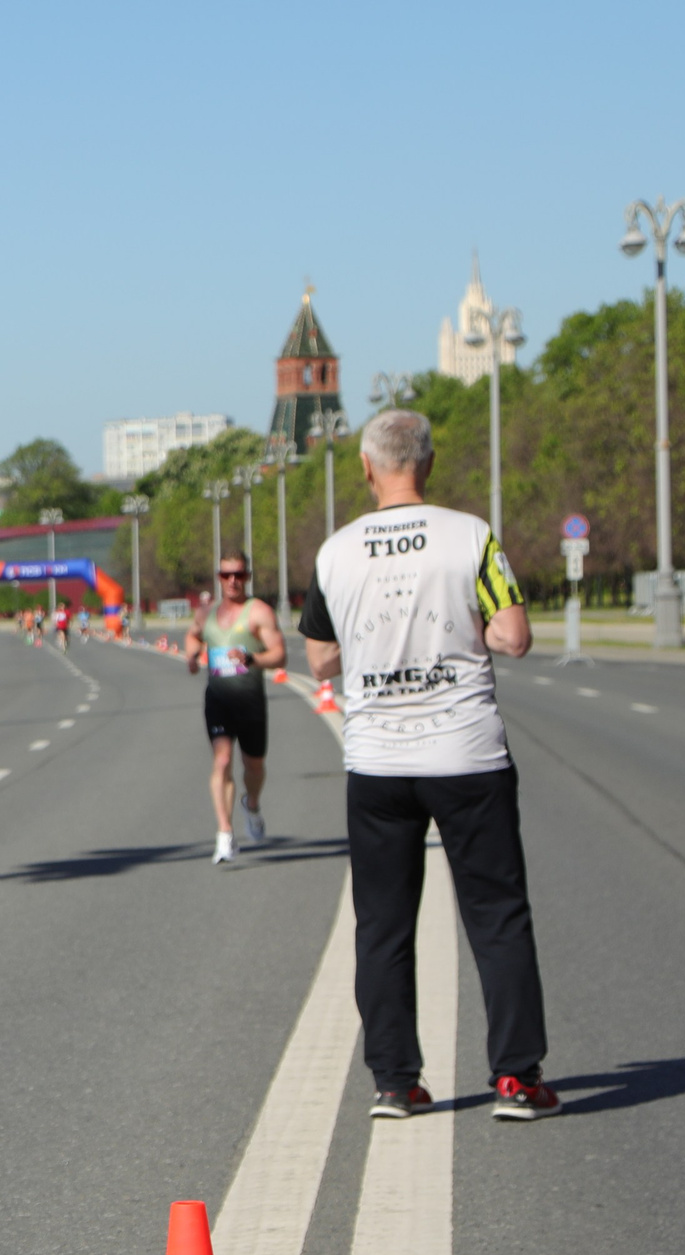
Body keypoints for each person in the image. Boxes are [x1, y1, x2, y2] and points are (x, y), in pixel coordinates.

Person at [301, 408, 560, 1122]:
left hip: (378, 761)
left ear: (366, 467)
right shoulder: (470, 536)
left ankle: (394, 1082)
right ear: (429, 463)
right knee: (497, 914)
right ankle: (516, 1079)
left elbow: (319, 658)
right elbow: (513, 636)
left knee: (382, 924)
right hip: (466, 753)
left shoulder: (336, 551)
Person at [184, 550, 286, 865]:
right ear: (218, 578)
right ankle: (225, 834)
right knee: (223, 760)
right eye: (226, 575)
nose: (232, 581)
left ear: (247, 577)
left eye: (238, 574)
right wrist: (191, 656)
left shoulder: (259, 612)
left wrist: (252, 659)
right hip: (218, 699)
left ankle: (251, 804)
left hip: (250, 701)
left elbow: (279, 655)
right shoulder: (207, 613)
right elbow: (193, 635)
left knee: (253, 766)